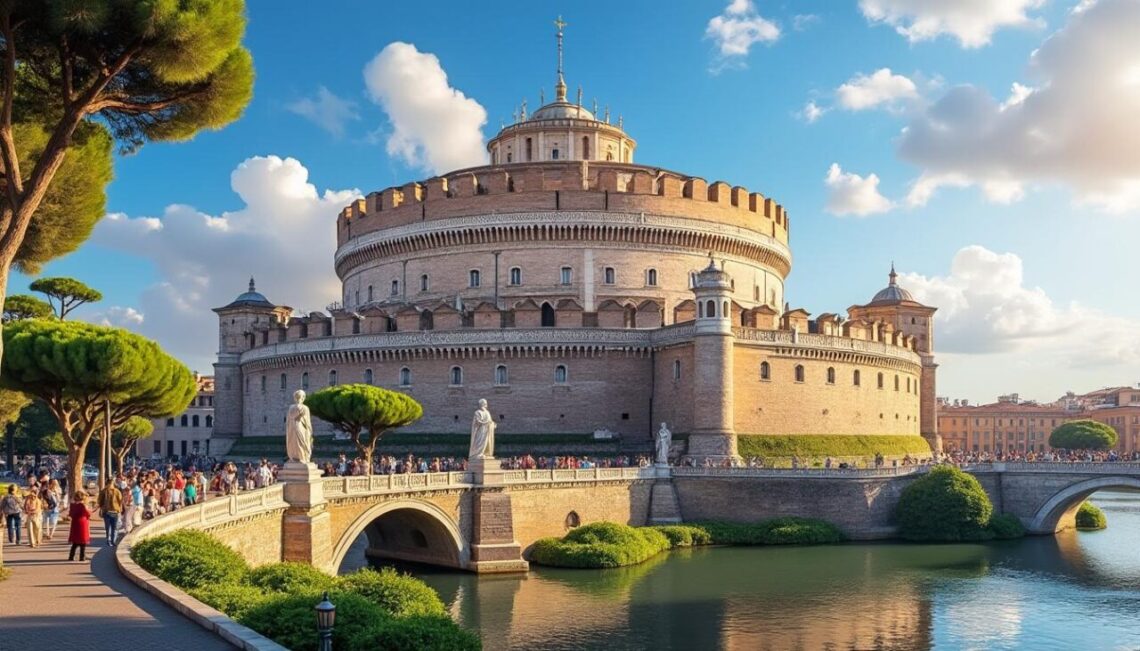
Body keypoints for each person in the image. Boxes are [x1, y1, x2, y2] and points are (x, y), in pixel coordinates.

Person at [97, 481, 123, 547]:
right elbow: (100, 501)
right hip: (106, 512)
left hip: (115, 511)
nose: (110, 485)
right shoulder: (103, 491)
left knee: (114, 527)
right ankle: (108, 540)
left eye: (111, 484)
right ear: (107, 484)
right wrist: (101, 508)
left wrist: (120, 509)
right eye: (109, 484)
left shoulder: (117, 491)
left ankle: (113, 541)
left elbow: (120, 501)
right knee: (108, 527)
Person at [68, 492, 91, 562]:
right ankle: (82, 557)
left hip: (75, 523)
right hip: (82, 523)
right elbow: (88, 514)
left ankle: (71, 556)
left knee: (75, 542)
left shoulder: (72, 505)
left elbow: (70, 514)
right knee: (82, 542)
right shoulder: (82, 505)